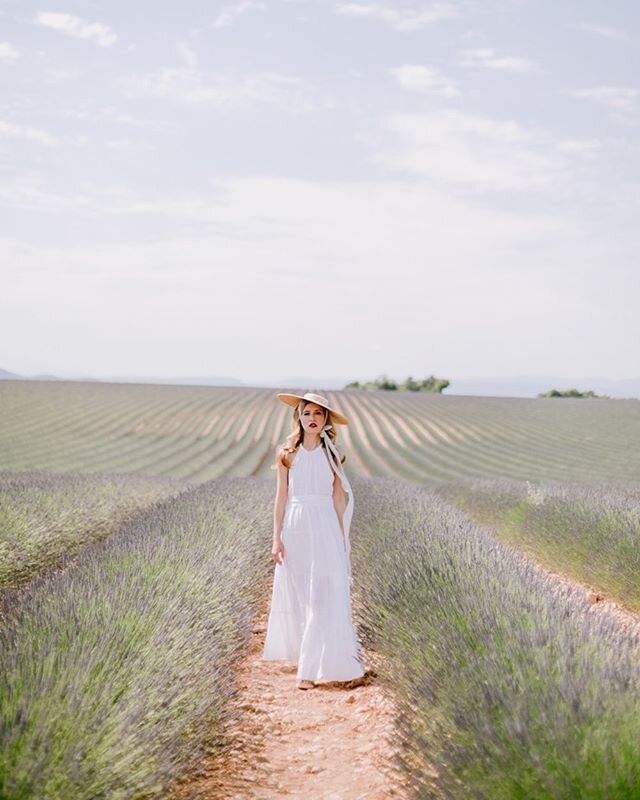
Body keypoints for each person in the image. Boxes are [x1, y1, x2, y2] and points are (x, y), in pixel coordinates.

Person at [261, 391, 365, 690]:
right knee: (303, 595)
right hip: (296, 526)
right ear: (299, 418)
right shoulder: (286, 454)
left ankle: (308, 670)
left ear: (325, 419)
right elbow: (281, 498)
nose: (312, 419)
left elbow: (337, 497)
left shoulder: (333, 454)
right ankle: (309, 658)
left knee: (322, 594)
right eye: (307, 413)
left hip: (325, 526)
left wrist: (341, 537)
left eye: (318, 414)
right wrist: (276, 538)